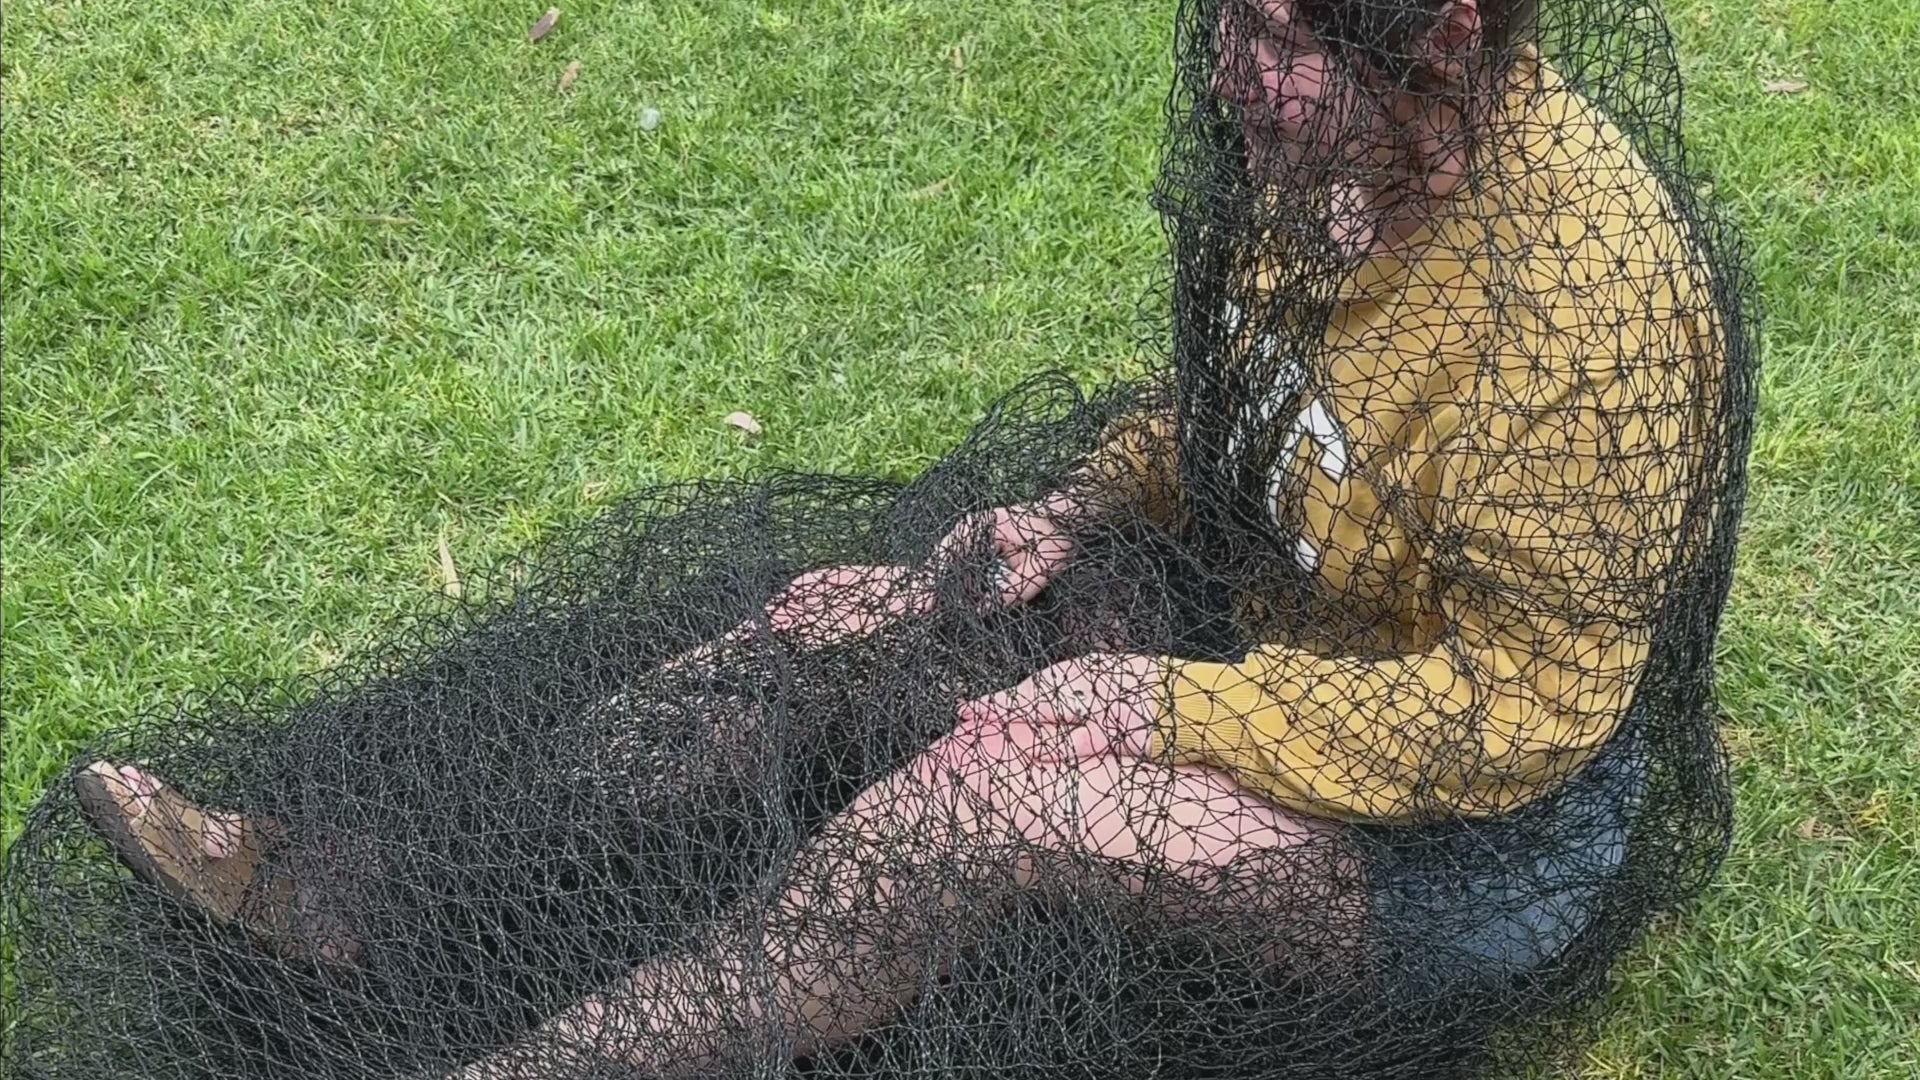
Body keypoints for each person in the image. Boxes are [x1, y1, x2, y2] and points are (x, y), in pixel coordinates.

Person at [63, 0, 1731, 1075]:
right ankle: (372, 889)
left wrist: (1158, 707)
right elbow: (1251, 416)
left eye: (1278, 33)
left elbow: (1521, 713)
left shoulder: (1585, 313)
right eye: (1227, 13)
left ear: (1443, 41)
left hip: (1456, 852)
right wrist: (1074, 509)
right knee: (837, 619)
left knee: (973, 807)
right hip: (1267, 640)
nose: (1230, 67)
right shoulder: (1330, 161)